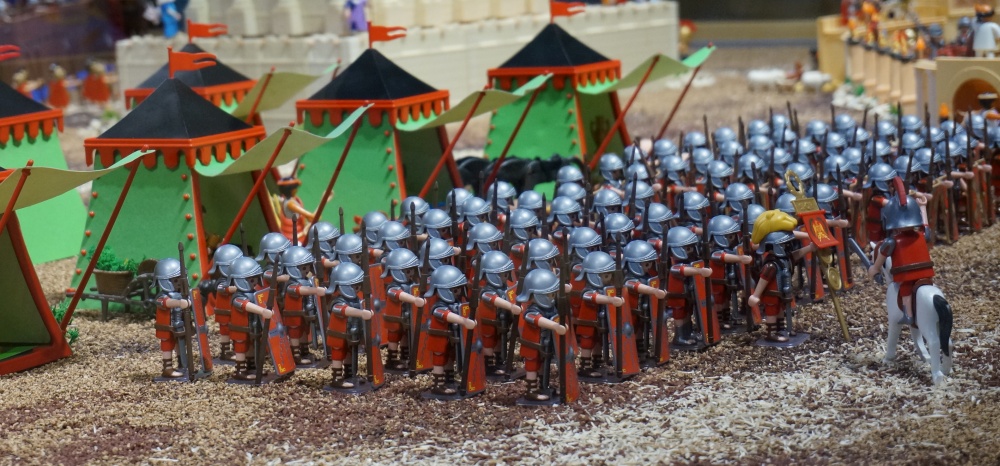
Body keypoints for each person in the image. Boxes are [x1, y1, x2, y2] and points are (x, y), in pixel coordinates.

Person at [153, 258, 192, 378]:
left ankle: (182, 364)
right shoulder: (162, 297)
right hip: (167, 327)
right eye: (176, 280)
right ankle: (167, 368)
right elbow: (166, 302)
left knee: (180, 344)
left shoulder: (181, 295)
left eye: (180, 279)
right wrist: (179, 303)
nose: (179, 283)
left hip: (180, 325)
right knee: (167, 346)